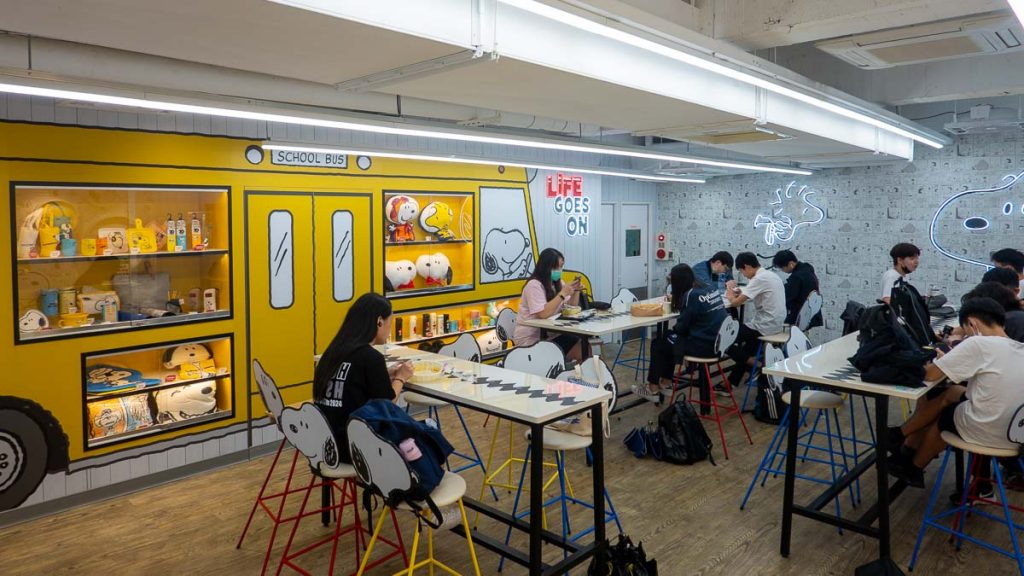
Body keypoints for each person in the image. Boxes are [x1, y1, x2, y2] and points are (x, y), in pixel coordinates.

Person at [886, 298, 1024, 488]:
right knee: (952, 392)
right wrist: (951, 361)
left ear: (972, 323)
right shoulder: (1019, 348)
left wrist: (942, 361)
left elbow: (931, 375)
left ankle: (913, 466)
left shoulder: (978, 343)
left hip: (988, 430)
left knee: (945, 413)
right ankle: (900, 438)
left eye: (966, 331)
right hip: (1015, 435)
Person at [313, 292, 411, 461]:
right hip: (355, 448)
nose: (389, 329)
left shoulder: (333, 351)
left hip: (322, 443)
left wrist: (384, 375)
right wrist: (401, 377)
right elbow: (386, 404)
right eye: (390, 322)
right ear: (379, 321)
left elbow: (351, 383)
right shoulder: (371, 357)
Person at [637, 263, 728, 403]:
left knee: (659, 343)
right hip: (720, 342)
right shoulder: (708, 288)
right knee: (668, 338)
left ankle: (653, 388)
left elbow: (681, 327)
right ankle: (666, 382)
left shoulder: (691, 295)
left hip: (704, 347)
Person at [723, 252, 786, 389]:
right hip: (776, 324)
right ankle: (730, 384)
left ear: (746, 266)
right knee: (748, 348)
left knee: (722, 340)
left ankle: (757, 365)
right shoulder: (770, 275)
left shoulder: (758, 279)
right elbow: (752, 293)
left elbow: (734, 303)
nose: (743, 275)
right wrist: (740, 293)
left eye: (741, 271)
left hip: (764, 325)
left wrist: (729, 289)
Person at [511, 247, 584, 363]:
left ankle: (576, 378)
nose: (559, 270)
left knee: (582, 346)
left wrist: (575, 291)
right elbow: (543, 314)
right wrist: (562, 294)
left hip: (552, 335)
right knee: (580, 349)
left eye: (561, 266)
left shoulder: (557, 282)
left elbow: (571, 307)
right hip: (531, 338)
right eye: (556, 267)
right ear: (546, 267)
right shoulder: (534, 285)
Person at [772, 249, 823, 330]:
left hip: (801, 316)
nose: (783, 270)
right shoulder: (808, 269)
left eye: (782, 268)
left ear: (791, 264)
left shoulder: (797, 277)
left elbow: (788, 297)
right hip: (812, 315)